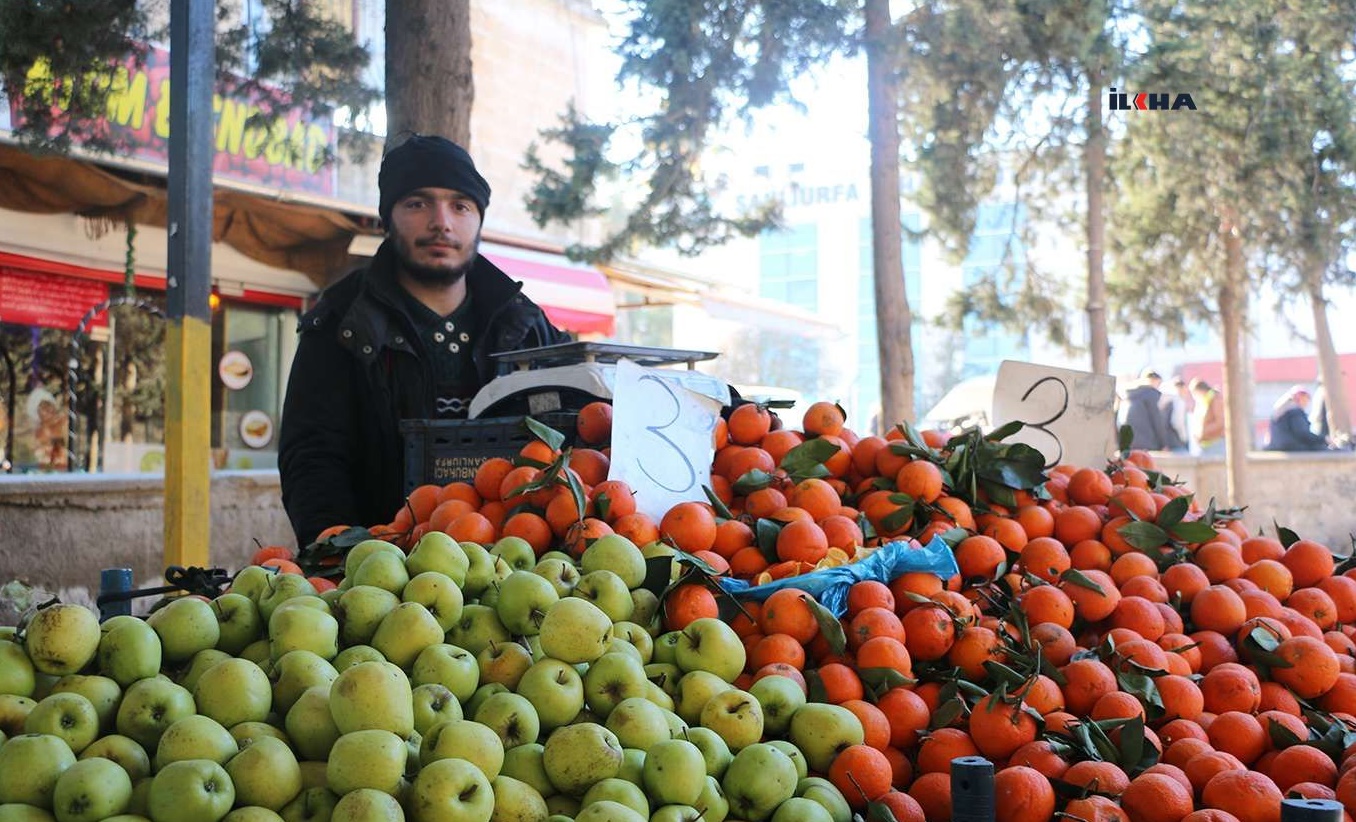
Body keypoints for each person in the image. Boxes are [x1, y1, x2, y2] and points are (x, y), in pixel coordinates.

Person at [279, 134, 570, 546]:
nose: (442, 222)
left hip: (520, 573)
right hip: (383, 580)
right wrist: (344, 562)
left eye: (460, 205)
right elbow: (312, 461)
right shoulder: (340, 325)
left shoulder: (526, 325)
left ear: (479, 219)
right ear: (388, 218)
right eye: (417, 203)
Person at [1122, 369, 1174, 451]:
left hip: (1129, 444)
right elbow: (1157, 421)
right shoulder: (1151, 394)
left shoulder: (1129, 395)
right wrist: (1164, 444)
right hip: (1148, 445)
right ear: (1154, 381)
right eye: (1159, 383)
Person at [1266, 385, 1330, 452]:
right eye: (1305, 399)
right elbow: (1303, 434)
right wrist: (1323, 439)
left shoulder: (1283, 409)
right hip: (1291, 447)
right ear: (1299, 398)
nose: (1306, 402)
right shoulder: (1294, 411)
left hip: (1280, 446)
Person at [1189, 378, 1226, 456]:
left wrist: (1203, 432)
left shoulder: (1215, 399)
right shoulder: (1202, 402)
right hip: (1205, 445)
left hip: (1216, 443)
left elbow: (1220, 422)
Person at [1165, 375, 1192, 452]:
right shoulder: (1178, 401)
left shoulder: (1167, 400)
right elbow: (1177, 422)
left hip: (1169, 442)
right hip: (1177, 441)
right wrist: (1184, 438)